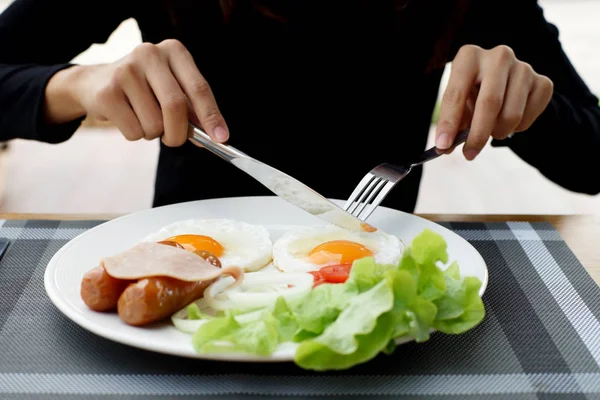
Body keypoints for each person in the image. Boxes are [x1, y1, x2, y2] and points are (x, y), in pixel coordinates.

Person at [0, 0, 598, 214]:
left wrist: (526, 104)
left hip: (371, 272)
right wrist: (76, 86)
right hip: (189, 260)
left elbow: (592, 159)